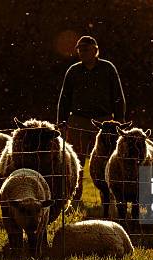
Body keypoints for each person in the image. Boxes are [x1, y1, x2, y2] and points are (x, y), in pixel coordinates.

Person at [56, 36, 126, 166]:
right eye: (80, 50)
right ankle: (77, 186)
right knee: (76, 161)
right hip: (78, 121)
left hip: (104, 121)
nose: (82, 53)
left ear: (95, 50)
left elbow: (118, 96)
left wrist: (120, 118)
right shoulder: (73, 71)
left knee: (106, 159)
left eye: (86, 50)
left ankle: (106, 185)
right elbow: (64, 99)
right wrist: (62, 122)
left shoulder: (108, 68)